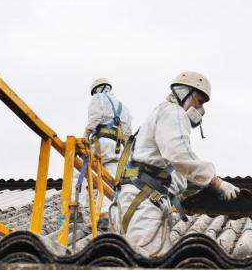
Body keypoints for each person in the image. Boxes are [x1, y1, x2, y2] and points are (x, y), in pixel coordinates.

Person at [112, 71, 239, 257]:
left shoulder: (162, 113)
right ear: (184, 92)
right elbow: (180, 154)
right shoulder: (173, 112)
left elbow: (174, 167)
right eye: (199, 101)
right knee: (145, 261)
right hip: (143, 204)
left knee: (142, 260)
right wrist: (215, 181)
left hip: (141, 200)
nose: (200, 109)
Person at [77, 78, 132, 224]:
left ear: (96, 90)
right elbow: (128, 133)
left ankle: (76, 207)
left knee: (79, 168)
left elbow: (95, 116)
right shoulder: (124, 107)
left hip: (101, 143)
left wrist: (86, 134)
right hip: (117, 148)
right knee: (111, 180)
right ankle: (105, 214)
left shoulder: (98, 98)